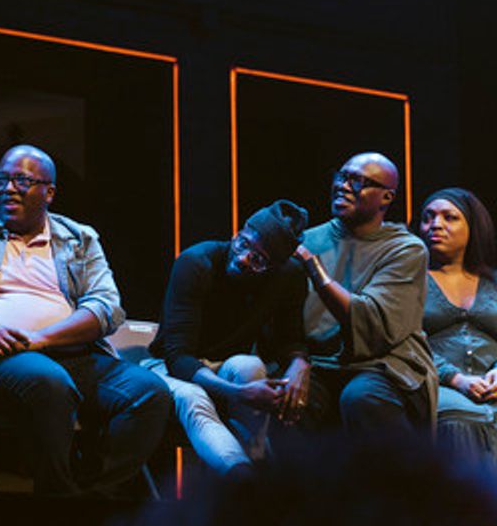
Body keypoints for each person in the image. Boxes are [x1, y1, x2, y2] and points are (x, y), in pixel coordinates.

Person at [0, 144, 170, 495]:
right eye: (2, 179)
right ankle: (57, 499)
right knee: (48, 380)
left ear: (49, 192)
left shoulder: (79, 238)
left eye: (22, 181)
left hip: (73, 355)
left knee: (149, 394)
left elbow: (106, 307)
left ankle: (88, 493)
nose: (9, 188)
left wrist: (42, 338)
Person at [146, 200, 311, 476]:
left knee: (251, 367)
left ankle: (256, 471)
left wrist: (300, 363)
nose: (244, 258)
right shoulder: (197, 262)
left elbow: (291, 338)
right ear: (239, 232)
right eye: (243, 244)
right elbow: (179, 358)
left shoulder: (289, 277)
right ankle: (242, 478)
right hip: (168, 366)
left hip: (226, 366)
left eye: (259, 260)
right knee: (193, 397)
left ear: (276, 266)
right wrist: (239, 393)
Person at [296, 152, 435, 436]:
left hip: (384, 364)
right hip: (319, 362)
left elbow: (371, 320)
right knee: (287, 400)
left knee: (361, 398)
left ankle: (402, 480)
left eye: (358, 181)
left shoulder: (405, 248)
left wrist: (315, 269)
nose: (344, 186)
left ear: (386, 197)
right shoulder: (308, 240)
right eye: (342, 176)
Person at [418, 187, 497, 466]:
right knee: (458, 417)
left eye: (449, 217)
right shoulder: (410, 281)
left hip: (491, 383)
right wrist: (457, 379)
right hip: (439, 382)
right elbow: (406, 341)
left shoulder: (493, 281)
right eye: (428, 217)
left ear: (472, 226)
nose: (435, 225)